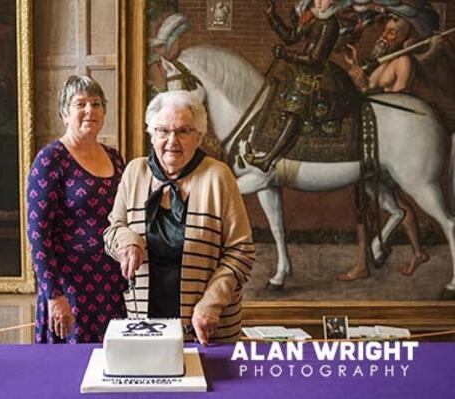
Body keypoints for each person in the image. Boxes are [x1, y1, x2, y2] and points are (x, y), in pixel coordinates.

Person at [103, 90, 255, 345]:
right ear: (152, 135)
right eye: (163, 131)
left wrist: (211, 302)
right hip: (145, 325)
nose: (172, 140)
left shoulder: (219, 176)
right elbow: (112, 231)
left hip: (206, 326)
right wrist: (127, 240)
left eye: (183, 131)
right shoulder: (134, 172)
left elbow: (241, 251)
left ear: (198, 136)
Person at [339, 10, 439, 280]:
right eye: (386, 27)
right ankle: (417, 251)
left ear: (407, 34)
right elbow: (366, 93)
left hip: (395, 140)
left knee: (390, 197)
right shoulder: (382, 61)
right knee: (392, 198)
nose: (386, 32)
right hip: (374, 138)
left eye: (393, 28)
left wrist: (365, 87)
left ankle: (372, 254)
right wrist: (356, 67)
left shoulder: (403, 62)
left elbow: (399, 106)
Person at [27, 75, 126, 344]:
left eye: (96, 104)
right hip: (69, 287)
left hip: (111, 284)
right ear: (64, 112)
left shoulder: (115, 157)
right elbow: (38, 235)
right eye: (80, 104)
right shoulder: (50, 159)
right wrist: (54, 296)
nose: (89, 111)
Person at [244, 0, 359, 172]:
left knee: (295, 107)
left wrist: (286, 55)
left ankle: (268, 160)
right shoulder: (314, 17)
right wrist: (272, 17)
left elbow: (314, 58)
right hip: (304, 70)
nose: (319, 3)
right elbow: (291, 37)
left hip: (319, 74)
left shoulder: (330, 24)